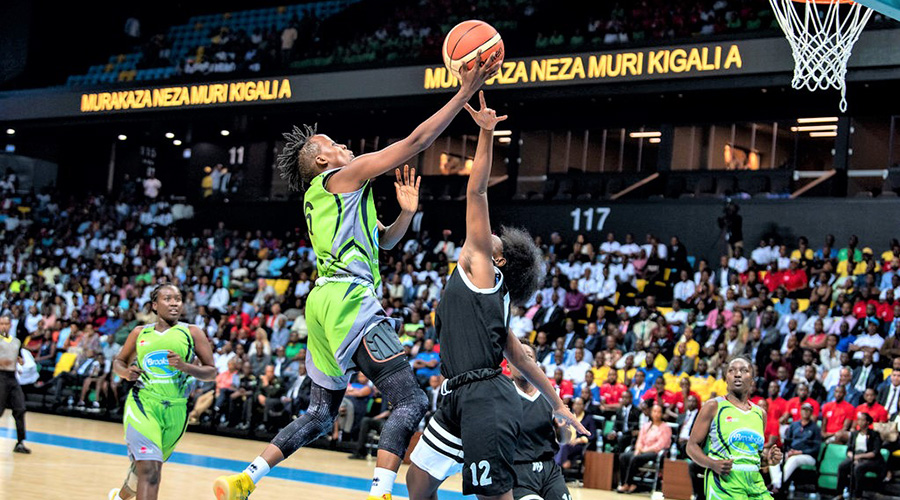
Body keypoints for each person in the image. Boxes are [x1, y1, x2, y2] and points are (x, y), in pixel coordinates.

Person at [215, 53, 502, 500]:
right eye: (334, 143)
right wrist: (463, 92)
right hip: (351, 300)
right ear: (322, 159)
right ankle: (380, 493)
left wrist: (405, 216)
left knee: (319, 414)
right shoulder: (341, 177)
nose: (343, 144)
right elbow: (414, 142)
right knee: (411, 402)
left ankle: (244, 478)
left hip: (322, 305)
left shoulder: (333, 199)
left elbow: (384, 244)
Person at [405, 92, 587, 500]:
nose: (491, 235)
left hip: (486, 396)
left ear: (499, 262)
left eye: (497, 243)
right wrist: (557, 401)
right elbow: (520, 356)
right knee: (417, 481)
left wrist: (486, 133)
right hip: (457, 394)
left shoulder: (482, 271)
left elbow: (477, 193)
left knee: (494, 496)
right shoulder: (494, 302)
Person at [109, 284, 217, 500]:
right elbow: (118, 362)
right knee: (149, 470)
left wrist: (186, 367)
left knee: (146, 472)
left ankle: (119, 498)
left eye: (178, 298)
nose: (175, 302)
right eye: (168, 298)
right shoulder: (140, 332)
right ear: (155, 305)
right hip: (143, 404)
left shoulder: (192, 332)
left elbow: (211, 372)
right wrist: (126, 373)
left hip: (176, 410)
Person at [687, 357, 783, 500]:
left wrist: (768, 460)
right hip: (724, 481)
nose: (738, 374)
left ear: (752, 380)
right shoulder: (713, 406)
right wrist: (712, 464)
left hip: (755, 482)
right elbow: (691, 447)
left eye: (744, 370)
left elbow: (752, 454)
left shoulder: (760, 413)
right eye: (732, 371)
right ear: (726, 378)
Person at [509, 343, 574, 500]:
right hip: (517, 472)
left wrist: (562, 427)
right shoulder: (503, 394)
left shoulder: (551, 397)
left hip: (549, 471)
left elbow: (564, 440)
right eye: (516, 357)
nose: (520, 361)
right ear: (509, 363)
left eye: (527, 357)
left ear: (535, 365)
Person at [617, 403, 671, 494]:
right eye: (654, 411)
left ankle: (627, 483)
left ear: (662, 414)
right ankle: (629, 483)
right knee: (623, 456)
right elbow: (640, 439)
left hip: (655, 452)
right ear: (651, 413)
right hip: (642, 450)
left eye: (658, 412)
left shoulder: (665, 427)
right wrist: (638, 449)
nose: (656, 414)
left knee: (635, 458)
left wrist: (645, 450)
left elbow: (661, 445)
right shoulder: (646, 425)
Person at [770, 402, 822, 493]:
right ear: (800, 411)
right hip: (792, 453)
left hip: (808, 456)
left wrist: (800, 452)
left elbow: (816, 448)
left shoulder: (815, 428)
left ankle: (776, 485)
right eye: (804, 410)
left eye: (808, 410)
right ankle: (776, 485)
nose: (805, 412)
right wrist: (789, 451)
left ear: (811, 412)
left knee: (794, 459)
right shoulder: (794, 425)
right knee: (774, 458)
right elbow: (787, 442)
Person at [835, 412, 886, 500]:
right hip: (855, 456)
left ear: (867, 422)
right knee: (842, 466)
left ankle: (858, 496)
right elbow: (849, 450)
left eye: (862, 420)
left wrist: (859, 457)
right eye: (858, 420)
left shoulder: (874, 434)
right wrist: (853, 457)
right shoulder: (854, 434)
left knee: (858, 467)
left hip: (871, 459)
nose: (860, 422)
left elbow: (874, 453)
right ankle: (839, 494)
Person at [0, 315, 29, 453]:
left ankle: (20, 443)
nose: (4, 326)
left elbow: (17, 356)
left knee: (20, 408)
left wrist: (19, 361)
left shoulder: (16, 342)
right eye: (1, 324)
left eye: (6, 323)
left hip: (12, 377)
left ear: (10, 325)